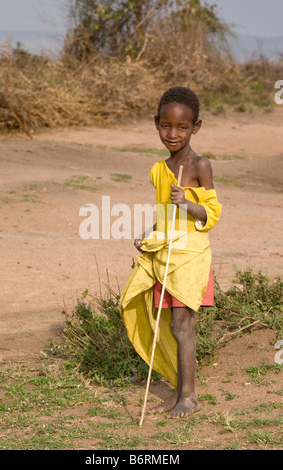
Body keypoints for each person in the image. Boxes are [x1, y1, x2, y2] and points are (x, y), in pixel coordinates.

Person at [120, 86, 222, 418]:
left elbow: (212, 215)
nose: (173, 133)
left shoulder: (200, 165)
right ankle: (178, 391)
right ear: (156, 124)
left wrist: (189, 203)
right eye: (166, 126)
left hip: (189, 257)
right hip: (165, 254)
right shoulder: (159, 169)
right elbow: (166, 215)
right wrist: (148, 234)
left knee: (183, 324)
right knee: (165, 323)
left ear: (196, 127)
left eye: (181, 127)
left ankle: (189, 397)